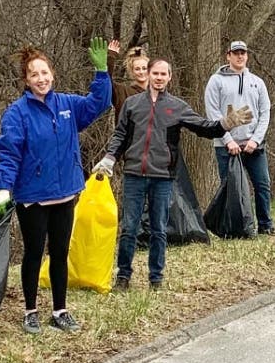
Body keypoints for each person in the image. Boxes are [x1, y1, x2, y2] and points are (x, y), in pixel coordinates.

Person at [95, 60, 252, 290]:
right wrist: (110, 157)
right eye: (155, 73)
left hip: (163, 176)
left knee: (159, 228)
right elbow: (120, 135)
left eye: (163, 74)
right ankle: (123, 276)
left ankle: (156, 278)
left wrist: (225, 124)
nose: (159, 77)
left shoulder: (177, 106)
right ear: (149, 75)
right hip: (134, 174)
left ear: (170, 77)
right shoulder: (131, 104)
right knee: (129, 228)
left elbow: (204, 127)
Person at [0, 38, 112, 334]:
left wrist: (102, 73)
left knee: (60, 253)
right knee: (34, 254)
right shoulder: (17, 113)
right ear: (26, 80)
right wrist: (5, 188)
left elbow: (98, 104)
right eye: (34, 75)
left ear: (52, 74)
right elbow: (8, 152)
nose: (41, 79)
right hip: (32, 197)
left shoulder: (68, 105)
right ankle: (30, 311)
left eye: (44, 73)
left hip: (65, 193)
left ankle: (60, 310)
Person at [204, 40, 275, 233]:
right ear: (228, 56)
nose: (240, 56)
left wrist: (255, 139)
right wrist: (228, 140)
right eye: (235, 53)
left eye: (243, 52)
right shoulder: (216, 81)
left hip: (253, 145)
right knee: (232, 188)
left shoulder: (257, 82)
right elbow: (213, 113)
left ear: (247, 55)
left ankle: (266, 225)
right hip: (226, 146)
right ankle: (234, 227)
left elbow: (265, 112)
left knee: (262, 184)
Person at [107, 40, 148, 121]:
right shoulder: (122, 93)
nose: (141, 72)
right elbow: (106, 81)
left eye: (144, 68)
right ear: (132, 71)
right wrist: (111, 57)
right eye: (137, 69)